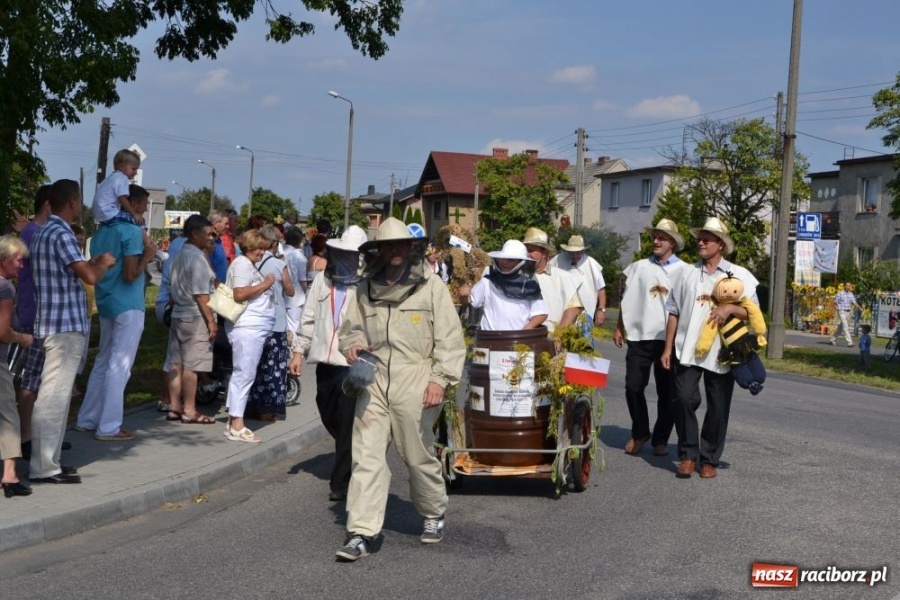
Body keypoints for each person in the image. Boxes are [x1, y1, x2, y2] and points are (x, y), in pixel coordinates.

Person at [335, 217, 465, 561]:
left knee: (416, 455)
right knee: (366, 456)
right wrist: (353, 343)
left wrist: (440, 380)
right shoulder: (366, 287)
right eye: (388, 245)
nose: (394, 250)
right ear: (378, 249)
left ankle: (433, 512)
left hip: (416, 378)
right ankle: (360, 532)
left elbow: (451, 339)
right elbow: (350, 329)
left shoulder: (431, 286)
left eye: (400, 244)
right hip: (373, 379)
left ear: (411, 248)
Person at [30, 179, 116, 484]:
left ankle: (48, 459)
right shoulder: (63, 233)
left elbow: (71, 269)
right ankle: (44, 467)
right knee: (54, 398)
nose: (80, 206)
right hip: (64, 326)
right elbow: (90, 277)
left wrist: (90, 262)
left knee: (52, 395)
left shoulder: (43, 232)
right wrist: (103, 262)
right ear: (73, 203)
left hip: (52, 322)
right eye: (79, 201)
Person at [661, 217, 758, 480]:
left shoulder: (740, 276)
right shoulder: (685, 273)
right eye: (699, 238)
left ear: (721, 245)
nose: (700, 242)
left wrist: (730, 308)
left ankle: (709, 458)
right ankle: (688, 455)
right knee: (682, 399)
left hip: (723, 351)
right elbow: (673, 312)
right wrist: (668, 347)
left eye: (707, 238)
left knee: (718, 407)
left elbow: (753, 313)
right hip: (688, 348)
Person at [289, 225, 368, 502]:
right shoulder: (324, 280)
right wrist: (298, 352)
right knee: (328, 412)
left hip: (352, 363)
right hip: (325, 360)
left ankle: (341, 481)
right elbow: (308, 318)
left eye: (353, 255)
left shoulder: (368, 285)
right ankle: (354, 452)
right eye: (344, 253)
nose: (347, 259)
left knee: (346, 421)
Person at [76, 185, 157, 441]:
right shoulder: (131, 231)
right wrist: (148, 257)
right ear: (130, 203)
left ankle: (87, 418)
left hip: (107, 300)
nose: (145, 208)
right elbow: (131, 274)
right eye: (143, 203)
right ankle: (109, 426)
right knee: (120, 365)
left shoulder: (100, 233)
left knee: (103, 360)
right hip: (129, 304)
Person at [613, 219, 689, 457]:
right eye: (654, 236)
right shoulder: (638, 267)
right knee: (633, 386)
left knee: (668, 393)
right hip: (640, 336)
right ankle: (640, 432)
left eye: (662, 237)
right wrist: (619, 326)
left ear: (673, 243)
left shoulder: (685, 271)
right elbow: (628, 298)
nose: (656, 241)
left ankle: (661, 438)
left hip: (670, 339)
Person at [223, 230, 277, 443]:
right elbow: (240, 293)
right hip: (247, 328)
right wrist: (266, 284)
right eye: (259, 248)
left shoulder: (246, 264)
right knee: (244, 375)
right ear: (248, 247)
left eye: (264, 248)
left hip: (253, 327)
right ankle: (237, 424)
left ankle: (232, 421)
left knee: (243, 374)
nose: (262, 252)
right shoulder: (243, 264)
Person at [165, 215, 218, 424]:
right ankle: (189, 409)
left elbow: (172, 289)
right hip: (195, 317)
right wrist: (211, 322)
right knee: (192, 365)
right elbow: (201, 294)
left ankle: (174, 407)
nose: (211, 238)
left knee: (176, 363)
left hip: (179, 314)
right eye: (208, 234)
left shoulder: (180, 255)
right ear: (195, 234)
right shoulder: (196, 258)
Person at [15, 185, 52, 460]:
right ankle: (26, 436)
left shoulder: (34, 232)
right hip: (34, 314)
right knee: (32, 377)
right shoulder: (32, 234)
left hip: (39, 313)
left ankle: (37, 433)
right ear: (49, 206)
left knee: (42, 379)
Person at [244, 225, 295, 422]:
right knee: (273, 368)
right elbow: (290, 290)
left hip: (254, 320)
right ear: (275, 243)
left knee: (255, 364)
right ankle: (267, 409)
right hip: (275, 321)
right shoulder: (277, 264)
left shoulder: (251, 262)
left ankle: (250, 405)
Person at [0, 235, 34, 497]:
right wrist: (22, 338)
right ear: (5, 260)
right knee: (8, 415)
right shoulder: (6, 289)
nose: (21, 266)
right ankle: (9, 475)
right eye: (18, 260)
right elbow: (2, 331)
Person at [467, 240, 547, 330]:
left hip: (518, 340)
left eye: (510, 260)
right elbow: (471, 301)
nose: (504, 262)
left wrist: (526, 330)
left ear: (520, 262)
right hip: (490, 339)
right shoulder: (488, 280)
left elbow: (541, 314)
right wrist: (464, 292)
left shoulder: (528, 285)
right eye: (503, 258)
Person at [521, 227, 581, 333]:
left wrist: (558, 336)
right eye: (525, 250)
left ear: (545, 253)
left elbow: (573, 309)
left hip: (551, 341)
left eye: (531, 250)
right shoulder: (516, 275)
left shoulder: (562, 278)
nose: (527, 254)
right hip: (519, 339)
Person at [550, 234, 608, 326]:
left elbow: (601, 289)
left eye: (578, 252)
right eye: (571, 252)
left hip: (586, 314)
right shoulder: (557, 260)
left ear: (583, 250)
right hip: (561, 312)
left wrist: (601, 310)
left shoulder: (591, 264)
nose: (575, 255)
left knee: (584, 340)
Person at [91, 149, 141, 226]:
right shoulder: (122, 178)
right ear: (122, 166)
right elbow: (122, 198)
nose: (136, 172)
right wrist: (134, 213)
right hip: (109, 213)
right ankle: (144, 237)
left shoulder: (111, 178)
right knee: (137, 220)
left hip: (99, 214)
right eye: (133, 169)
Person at [282, 227, 309, 351]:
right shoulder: (299, 256)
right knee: (295, 322)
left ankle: (287, 346)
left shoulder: (281, 251)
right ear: (299, 240)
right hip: (296, 294)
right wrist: (307, 294)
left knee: (286, 322)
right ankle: (294, 349)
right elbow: (303, 279)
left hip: (283, 293)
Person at [831, 282, 862, 347]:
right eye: (847, 285)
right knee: (846, 327)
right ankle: (850, 342)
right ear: (845, 286)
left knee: (841, 327)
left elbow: (854, 302)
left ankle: (833, 339)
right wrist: (837, 309)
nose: (848, 287)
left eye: (849, 286)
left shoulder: (851, 294)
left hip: (848, 312)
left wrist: (859, 307)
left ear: (850, 287)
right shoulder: (840, 293)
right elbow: (835, 302)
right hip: (841, 311)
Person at [208, 210, 230, 283]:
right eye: (226, 224)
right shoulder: (208, 242)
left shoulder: (218, 240)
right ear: (215, 223)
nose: (228, 226)